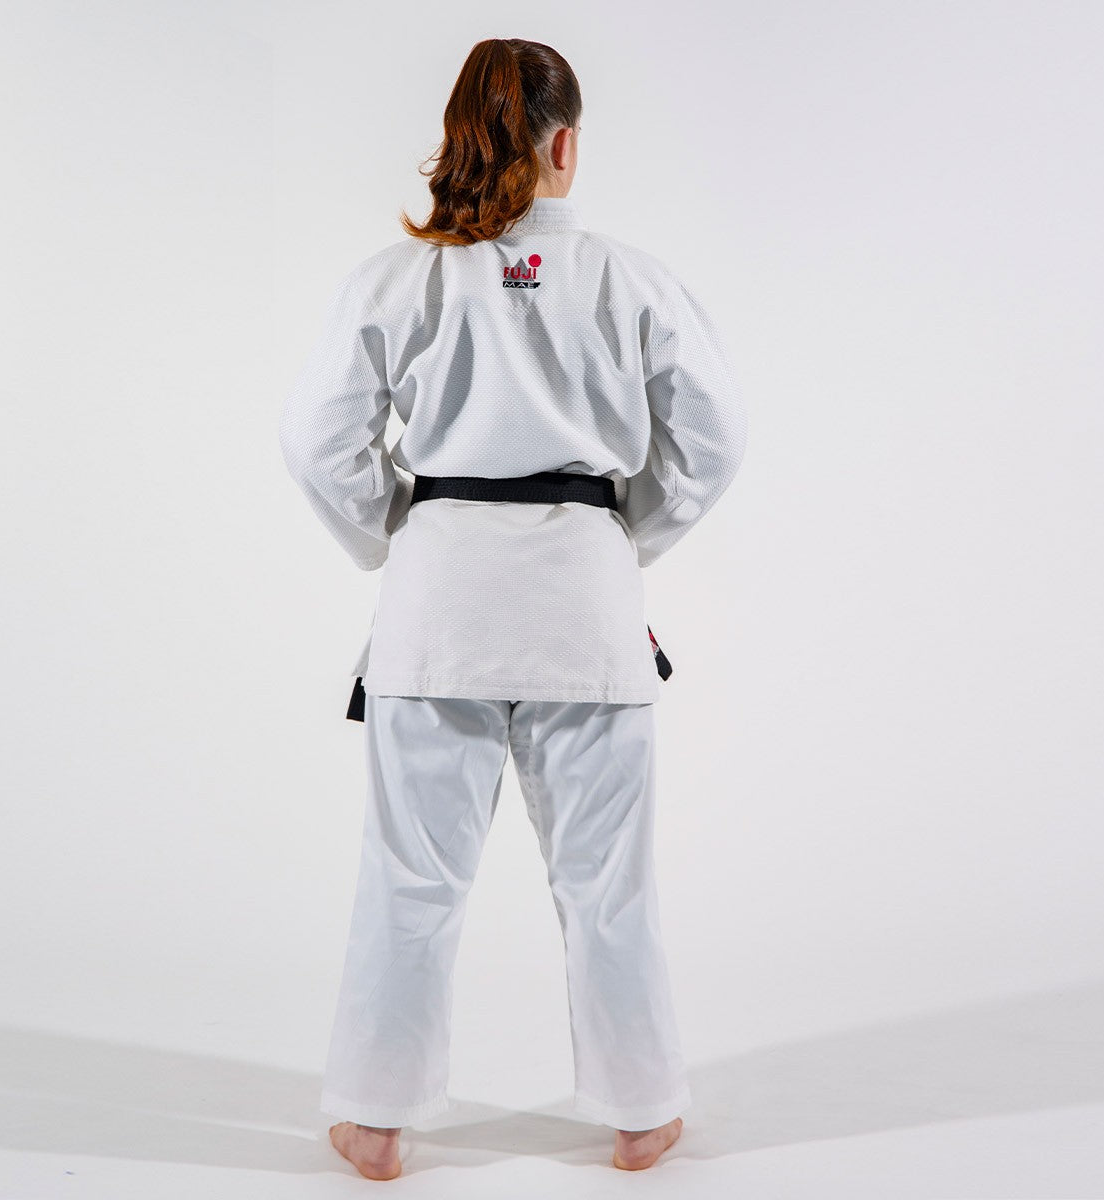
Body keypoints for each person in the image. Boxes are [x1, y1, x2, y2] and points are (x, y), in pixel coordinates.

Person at [278, 37, 746, 1180]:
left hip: (438, 605)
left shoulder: (394, 281)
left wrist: (401, 528)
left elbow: (316, 441)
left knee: (411, 876)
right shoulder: (631, 280)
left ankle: (374, 1119)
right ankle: (641, 1111)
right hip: (586, 608)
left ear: (460, 136)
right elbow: (714, 443)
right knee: (607, 883)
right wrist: (615, 537)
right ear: (565, 144)